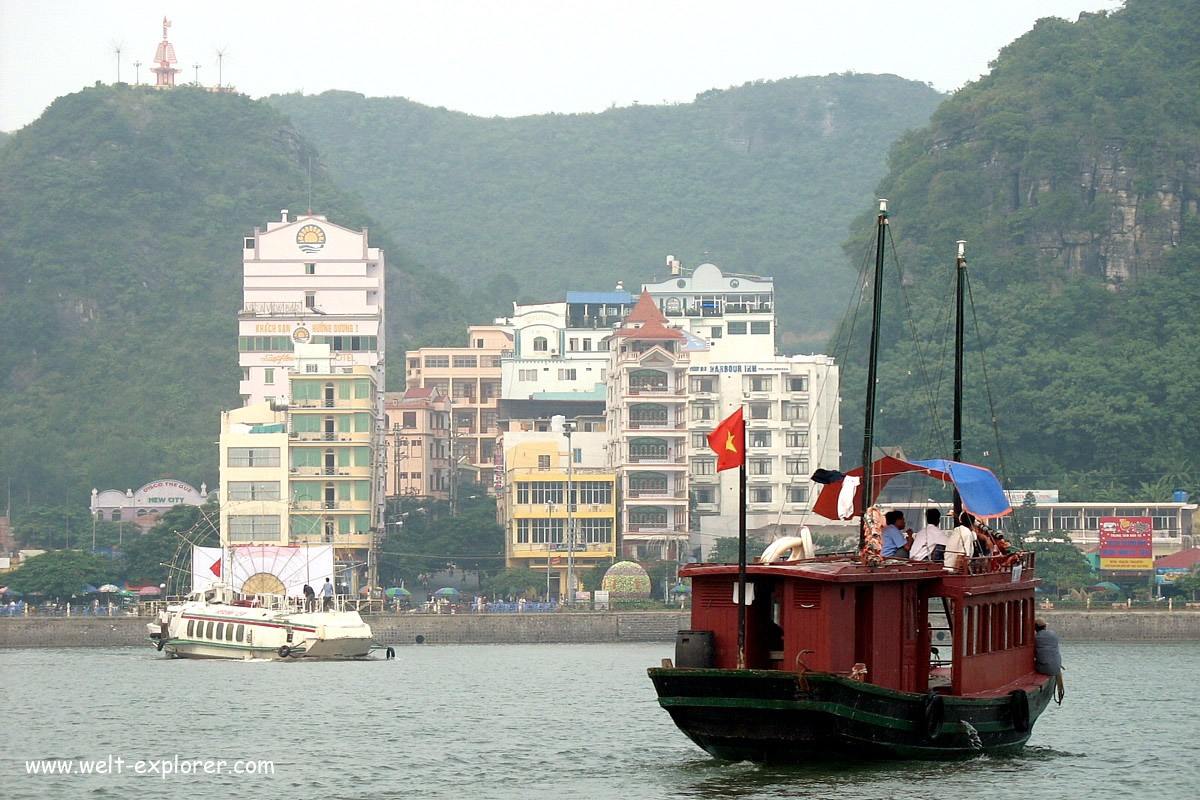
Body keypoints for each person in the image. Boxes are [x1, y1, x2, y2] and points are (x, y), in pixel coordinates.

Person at [1034, 617, 1066, 704]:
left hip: (1043, 668)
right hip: (1056, 667)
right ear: (1045, 627)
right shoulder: (1053, 635)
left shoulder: (1035, 638)